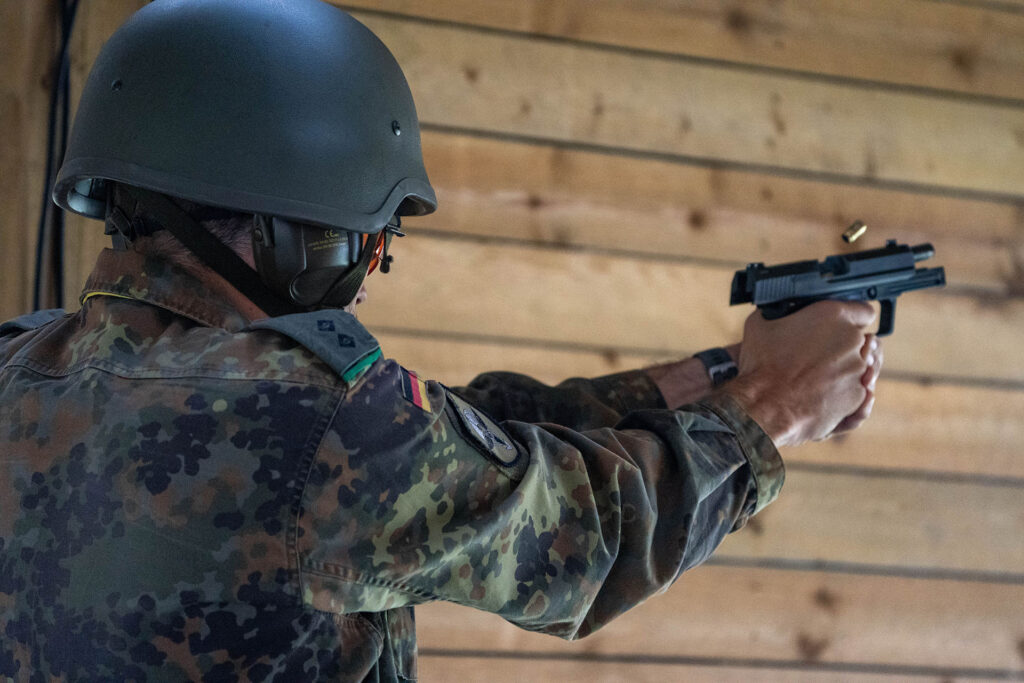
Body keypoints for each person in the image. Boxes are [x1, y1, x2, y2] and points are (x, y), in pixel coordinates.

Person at [0, 0, 881, 680]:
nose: (371, 268)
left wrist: (714, 373)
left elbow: (457, 439)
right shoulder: (316, 420)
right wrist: (773, 405)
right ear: (292, 234)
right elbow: (591, 535)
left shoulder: (18, 362)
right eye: (369, 239)